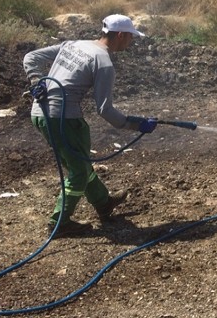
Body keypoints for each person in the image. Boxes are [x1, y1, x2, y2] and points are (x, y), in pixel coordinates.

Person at [23, 14, 158, 237]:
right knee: (78, 171)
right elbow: (104, 109)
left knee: (80, 163)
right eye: (130, 38)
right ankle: (60, 223)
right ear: (121, 35)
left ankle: (103, 203)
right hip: (65, 120)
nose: (131, 42)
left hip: (39, 113)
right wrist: (136, 125)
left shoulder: (75, 44)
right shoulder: (103, 63)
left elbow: (31, 58)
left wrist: (37, 80)